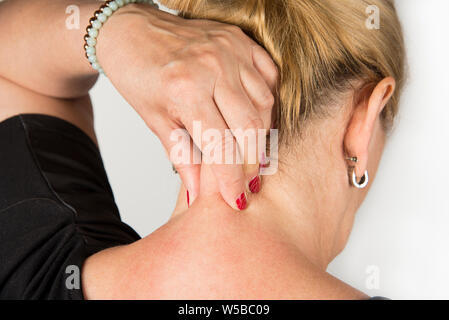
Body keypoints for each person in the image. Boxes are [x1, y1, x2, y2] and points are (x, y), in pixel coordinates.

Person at [0, 0, 405, 300]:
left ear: (180, 75)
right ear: (363, 124)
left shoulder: (27, 262)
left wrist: (114, 27)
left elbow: (12, 71)